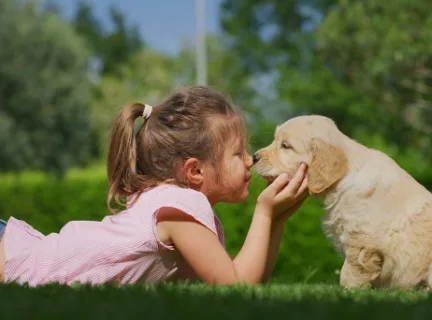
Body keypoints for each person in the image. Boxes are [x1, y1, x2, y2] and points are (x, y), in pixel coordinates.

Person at [0, 86, 308, 287]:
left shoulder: (177, 205)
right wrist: (265, 213)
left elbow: (248, 283)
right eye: (237, 153)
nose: (249, 160)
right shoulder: (181, 206)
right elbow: (235, 286)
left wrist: (277, 219)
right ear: (195, 170)